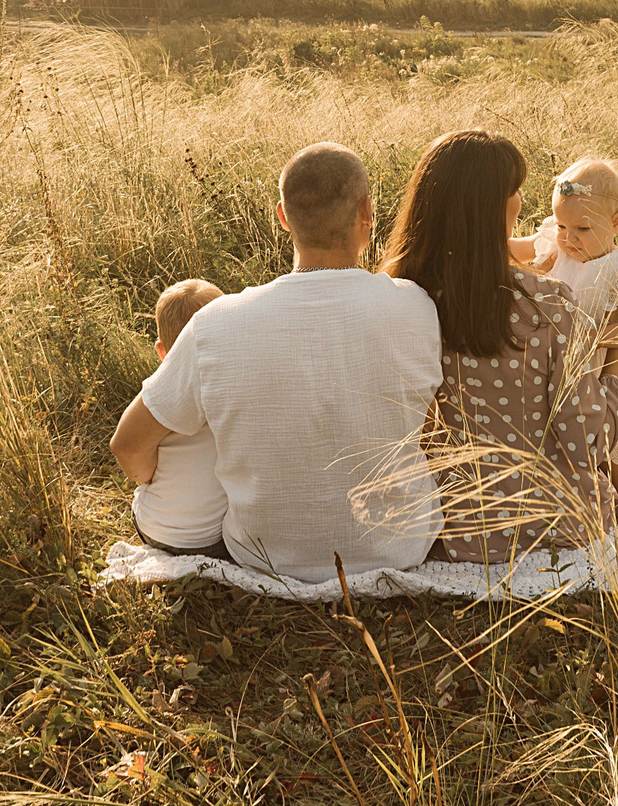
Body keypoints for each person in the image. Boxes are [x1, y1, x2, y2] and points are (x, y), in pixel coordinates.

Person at [109, 142, 443, 582]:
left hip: (265, 556)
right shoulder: (416, 307)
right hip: (400, 546)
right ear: (366, 211)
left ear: (282, 217)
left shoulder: (215, 326)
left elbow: (128, 445)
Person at [383, 129, 618, 564]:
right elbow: (588, 439)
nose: (522, 201)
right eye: (516, 190)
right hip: (558, 524)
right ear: (493, 208)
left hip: (454, 526)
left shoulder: (398, 299)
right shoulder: (549, 305)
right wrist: (616, 356)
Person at [515, 156, 618, 513]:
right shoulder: (556, 246)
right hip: (556, 369)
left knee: (610, 454)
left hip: (602, 370)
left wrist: (598, 337)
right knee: (564, 447)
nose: (568, 238)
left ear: (616, 223)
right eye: (562, 226)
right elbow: (510, 250)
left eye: (581, 229)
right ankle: (588, 509)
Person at [127, 278, 229, 558]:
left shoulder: (160, 396)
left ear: (162, 351)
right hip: (218, 539)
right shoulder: (236, 389)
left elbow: (134, 460)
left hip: (158, 531)